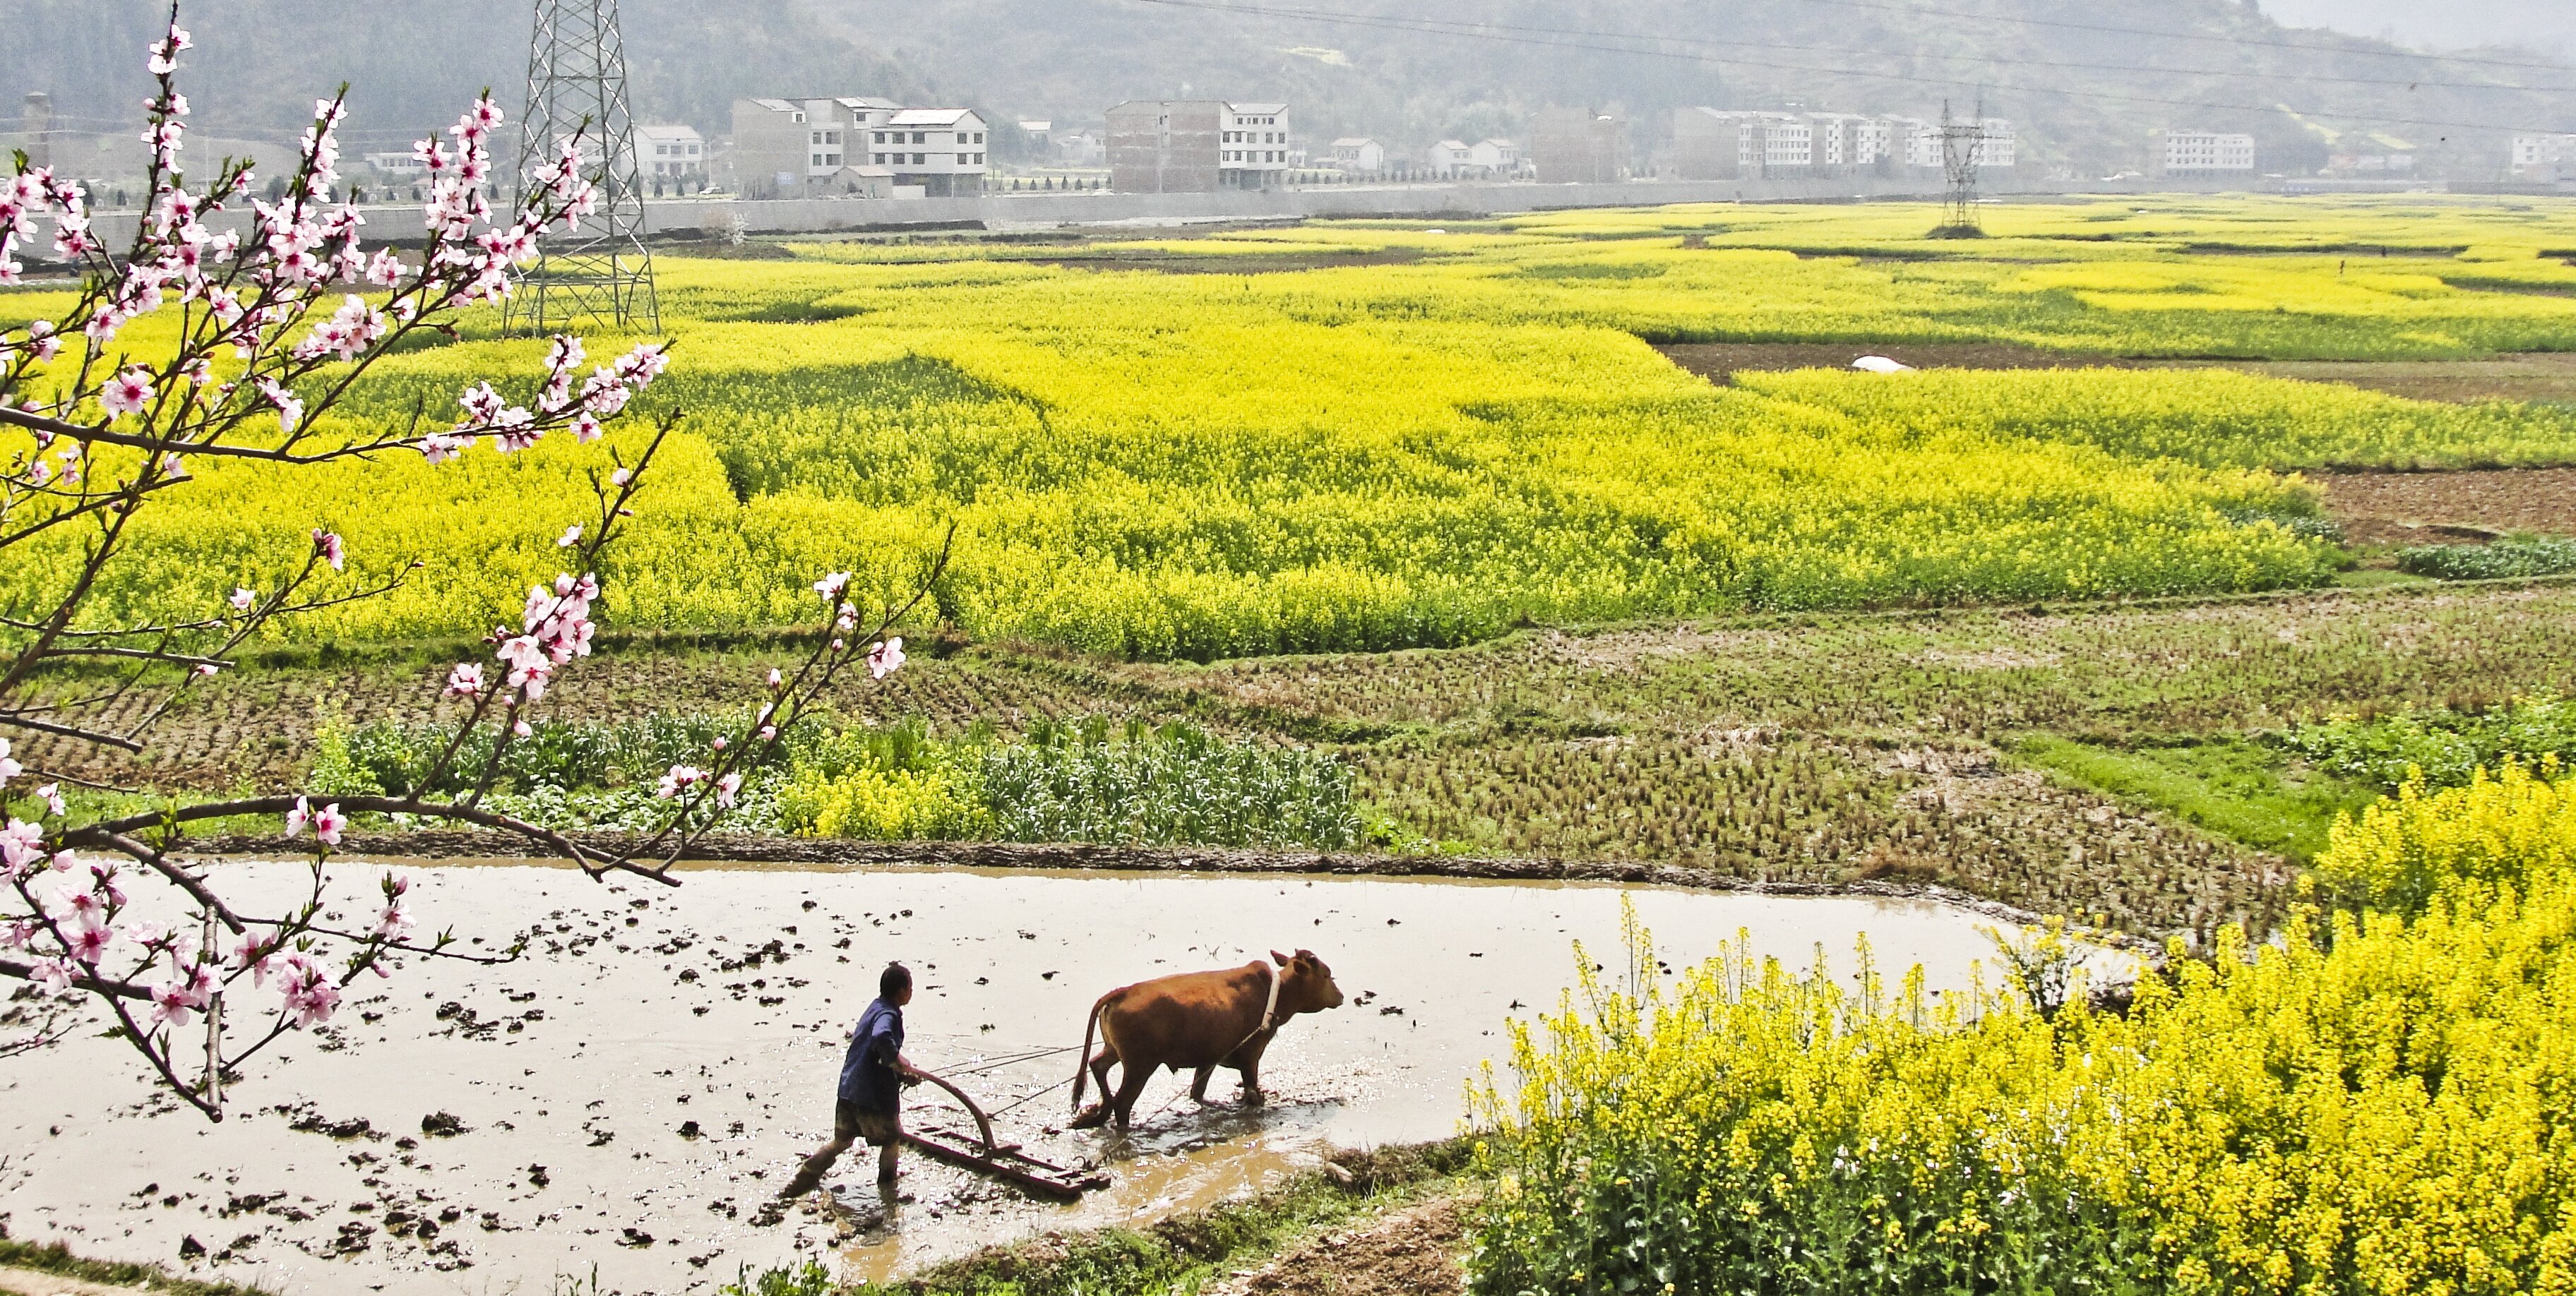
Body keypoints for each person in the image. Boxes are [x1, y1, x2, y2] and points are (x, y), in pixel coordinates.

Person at [786, 961, 919, 1196]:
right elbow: (881, 1037)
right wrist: (899, 1061)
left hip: (849, 1087)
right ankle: (888, 1194)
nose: (912, 992)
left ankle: (801, 1181)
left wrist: (900, 1073)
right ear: (901, 991)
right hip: (871, 1095)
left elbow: (873, 1050)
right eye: (910, 988)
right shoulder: (889, 1015)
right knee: (892, 1140)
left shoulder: (875, 1007)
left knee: (841, 1142)